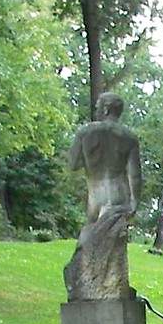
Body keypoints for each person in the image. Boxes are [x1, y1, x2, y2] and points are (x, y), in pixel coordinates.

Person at [64, 93, 143, 301]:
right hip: (118, 195)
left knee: (90, 243)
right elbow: (134, 174)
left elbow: (72, 164)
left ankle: (91, 288)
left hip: (95, 197)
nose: (97, 109)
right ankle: (109, 289)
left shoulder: (85, 132)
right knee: (113, 252)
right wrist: (135, 201)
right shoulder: (128, 137)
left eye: (99, 106)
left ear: (106, 109)